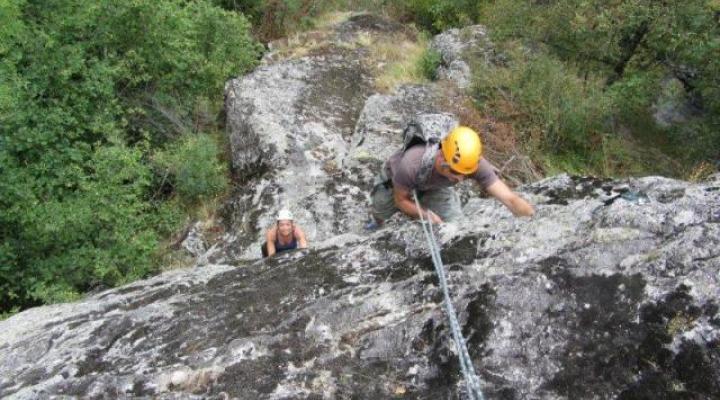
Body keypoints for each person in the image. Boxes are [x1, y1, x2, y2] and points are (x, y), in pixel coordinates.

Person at [369, 114, 534, 227]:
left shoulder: (471, 162)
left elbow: (510, 199)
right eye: (455, 172)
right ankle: (376, 222)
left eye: (465, 173)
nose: (460, 179)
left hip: (434, 187)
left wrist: (533, 220)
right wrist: (424, 214)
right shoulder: (411, 163)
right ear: (441, 157)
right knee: (381, 210)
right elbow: (401, 200)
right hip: (395, 180)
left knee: (455, 225)